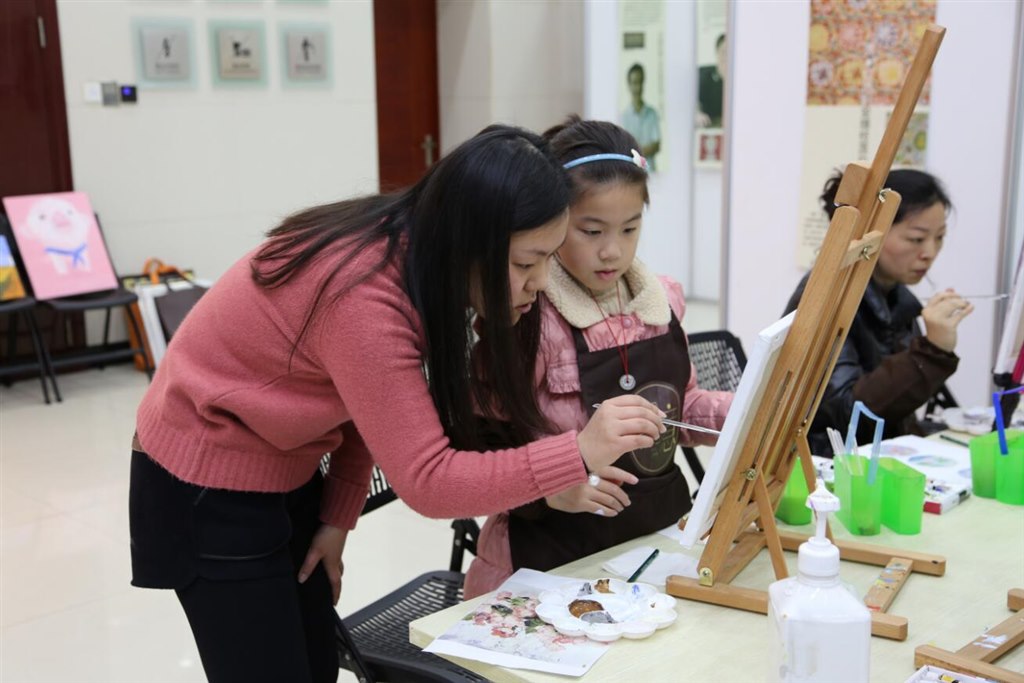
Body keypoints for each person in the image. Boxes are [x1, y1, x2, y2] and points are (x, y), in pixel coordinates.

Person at [128, 124, 667, 683]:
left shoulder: (423, 253)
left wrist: (336, 516)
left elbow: (367, 401)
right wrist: (577, 453)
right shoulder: (365, 295)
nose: (539, 283)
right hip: (205, 478)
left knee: (313, 665)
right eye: (525, 263)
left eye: (548, 259)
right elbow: (429, 481)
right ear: (470, 242)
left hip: (285, 464)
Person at [464, 117, 733, 597]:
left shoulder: (661, 303)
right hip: (552, 554)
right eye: (591, 231)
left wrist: (737, 414)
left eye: (630, 229)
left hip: (650, 541)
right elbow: (481, 444)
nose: (613, 251)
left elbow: (677, 410)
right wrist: (550, 487)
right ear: (553, 222)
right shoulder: (530, 316)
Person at [784, 168, 974, 456]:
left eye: (939, 237)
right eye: (916, 239)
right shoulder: (828, 298)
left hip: (877, 457)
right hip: (825, 464)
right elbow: (848, 415)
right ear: (871, 233)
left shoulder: (898, 299)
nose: (930, 252)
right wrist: (931, 351)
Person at [622, 63, 661, 171]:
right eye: (635, 83)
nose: (638, 87)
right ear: (629, 85)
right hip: (631, 173)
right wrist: (645, 150)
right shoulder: (623, 117)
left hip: (651, 173)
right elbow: (622, 149)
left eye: (640, 82)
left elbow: (656, 145)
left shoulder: (652, 114)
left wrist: (635, 153)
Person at [696, 33, 726, 128]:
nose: (727, 58)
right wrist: (696, 113)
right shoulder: (702, 75)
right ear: (717, 53)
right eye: (724, 52)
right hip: (708, 128)